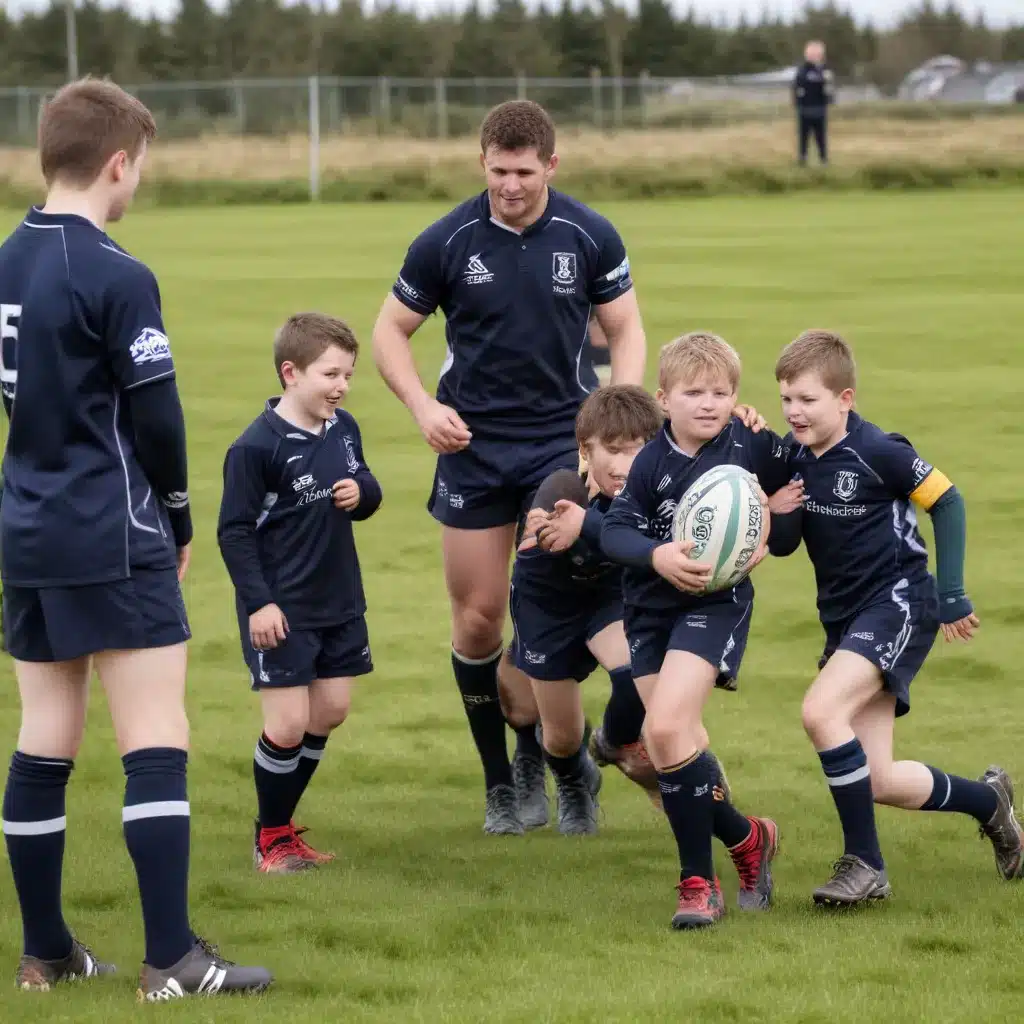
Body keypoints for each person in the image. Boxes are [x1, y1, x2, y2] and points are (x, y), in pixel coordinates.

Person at [0, 77, 271, 999]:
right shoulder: (116, 271)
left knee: (44, 737)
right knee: (156, 733)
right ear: (119, 162)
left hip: (27, 528)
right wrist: (183, 515)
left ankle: (46, 952)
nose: (137, 184)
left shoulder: (6, 259)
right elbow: (159, 420)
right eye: (140, 169)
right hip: (112, 529)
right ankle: (172, 962)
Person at [371, 99, 647, 836]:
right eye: (498, 172)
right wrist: (423, 408)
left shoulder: (589, 234)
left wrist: (616, 415)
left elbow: (624, 325)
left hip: (561, 447)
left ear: (551, 165)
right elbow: (390, 331)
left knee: (542, 614)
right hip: (473, 447)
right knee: (479, 617)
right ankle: (506, 777)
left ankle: (565, 765)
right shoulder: (450, 238)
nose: (511, 186)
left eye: (525, 172)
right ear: (481, 163)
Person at [769, 329, 1022, 905]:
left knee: (820, 711)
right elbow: (784, 546)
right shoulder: (793, 454)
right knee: (877, 779)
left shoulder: (879, 451)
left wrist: (953, 594)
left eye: (808, 399)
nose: (795, 412)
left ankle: (866, 865)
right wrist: (772, 505)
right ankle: (992, 805)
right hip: (845, 620)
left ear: (845, 398)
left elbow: (948, 500)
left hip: (898, 604)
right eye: (787, 399)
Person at [601, 332, 796, 930]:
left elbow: (788, 521)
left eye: (722, 392)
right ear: (664, 398)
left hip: (716, 603)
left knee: (664, 727)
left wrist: (769, 528)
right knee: (670, 746)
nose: (709, 403)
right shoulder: (651, 462)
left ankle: (697, 884)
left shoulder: (751, 442)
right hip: (649, 609)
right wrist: (658, 556)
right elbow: (614, 534)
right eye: (694, 392)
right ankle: (747, 838)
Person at [216, 314, 381, 874]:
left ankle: (280, 828)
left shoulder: (343, 428)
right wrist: (259, 603)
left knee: (329, 711)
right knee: (286, 723)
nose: (341, 386)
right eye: (330, 374)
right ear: (291, 373)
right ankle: (271, 838)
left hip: (339, 599)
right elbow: (234, 531)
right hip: (280, 608)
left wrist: (362, 492)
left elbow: (370, 487)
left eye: (348, 376)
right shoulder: (255, 448)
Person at [510, 385, 665, 834]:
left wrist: (742, 414)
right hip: (547, 608)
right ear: (585, 449)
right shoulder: (563, 487)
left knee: (634, 671)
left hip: (606, 599)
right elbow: (539, 525)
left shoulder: (647, 491)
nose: (624, 465)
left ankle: (613, 741)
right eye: (613, 451)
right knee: (559, 736)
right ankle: (576, 779)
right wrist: (540, 532)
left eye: (637, 451)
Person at [793, 40, 833, 166]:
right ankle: (802, 159)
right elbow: (797, 87)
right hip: (805, 109)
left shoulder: (825, 71)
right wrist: (798, 103)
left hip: (819, 109)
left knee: (821, 136)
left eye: (817, 53)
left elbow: (829, 89)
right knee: (803, 137)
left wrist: (828, 98)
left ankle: (823, 159)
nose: (814, 56)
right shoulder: (802, 70)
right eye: (811, 53)